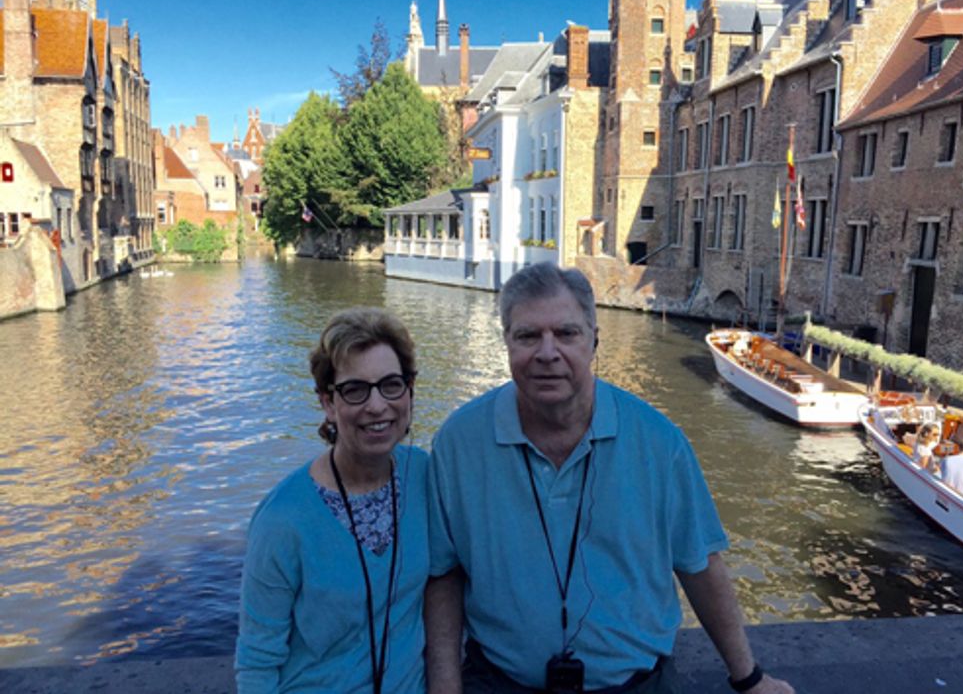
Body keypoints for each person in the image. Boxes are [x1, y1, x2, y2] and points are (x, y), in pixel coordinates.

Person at [426, 263, 793, 694]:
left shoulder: (659, 442)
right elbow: (444, 572)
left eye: (566, 334)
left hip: (635, 685)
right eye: (528, 336)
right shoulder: (460, 442)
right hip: (500, 681)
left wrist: (748, 677)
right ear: (506, 341)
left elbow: (699, 563)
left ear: (594, 341)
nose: (547, 353)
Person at [236, 307, 428, 693]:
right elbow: (257, 661)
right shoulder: (284, 519)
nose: (377, 405)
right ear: (328, 403)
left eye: (391, 384)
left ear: (409, 390)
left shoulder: (424, 475)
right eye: (355, 390)